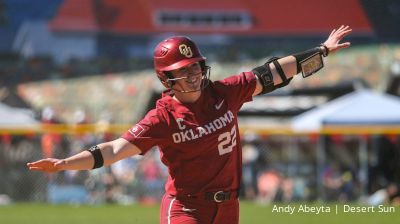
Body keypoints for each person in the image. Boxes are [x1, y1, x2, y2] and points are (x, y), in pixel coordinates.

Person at [27, 25, 352, 224]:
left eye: (195, 66)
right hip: (187, 210)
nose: (193, 74)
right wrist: (65, 163)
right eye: (183, 70)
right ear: (165, 78)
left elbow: (271, 74)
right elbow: (114, 149)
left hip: (229, 208)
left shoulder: (224, 92)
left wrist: (322, 50)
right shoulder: (163, 117)